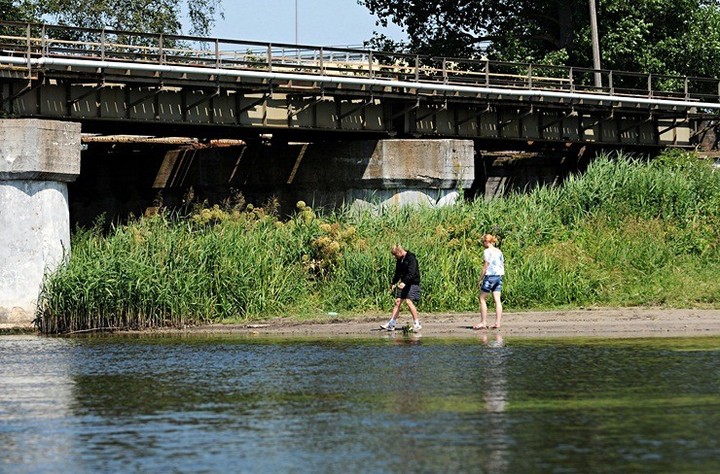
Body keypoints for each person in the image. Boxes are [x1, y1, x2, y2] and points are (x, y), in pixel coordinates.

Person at [381, 244, 422, 331]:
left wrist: (404, 282)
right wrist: (393, 283)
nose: (395, 257)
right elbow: (398, 272)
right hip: (404, 283)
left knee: (408, 301)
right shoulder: (400, 260)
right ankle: (391, 324)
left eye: (395, 255)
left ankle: (417, 324)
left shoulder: (411, 258)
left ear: (399, 252)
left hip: (412, 283)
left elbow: (411, 272)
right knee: (398, 301)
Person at [474, 233, 504, 330]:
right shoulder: (499, 251)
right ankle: (497, 322)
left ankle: (483, 322)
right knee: (497, 300)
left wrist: (480, 279)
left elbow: (485, 266)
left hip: (490, 277)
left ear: (487, 242)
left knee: (482, 298)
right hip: (499, 276)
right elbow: (502, 264)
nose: (483, 244)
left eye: (483, 242)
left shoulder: (487, 251)